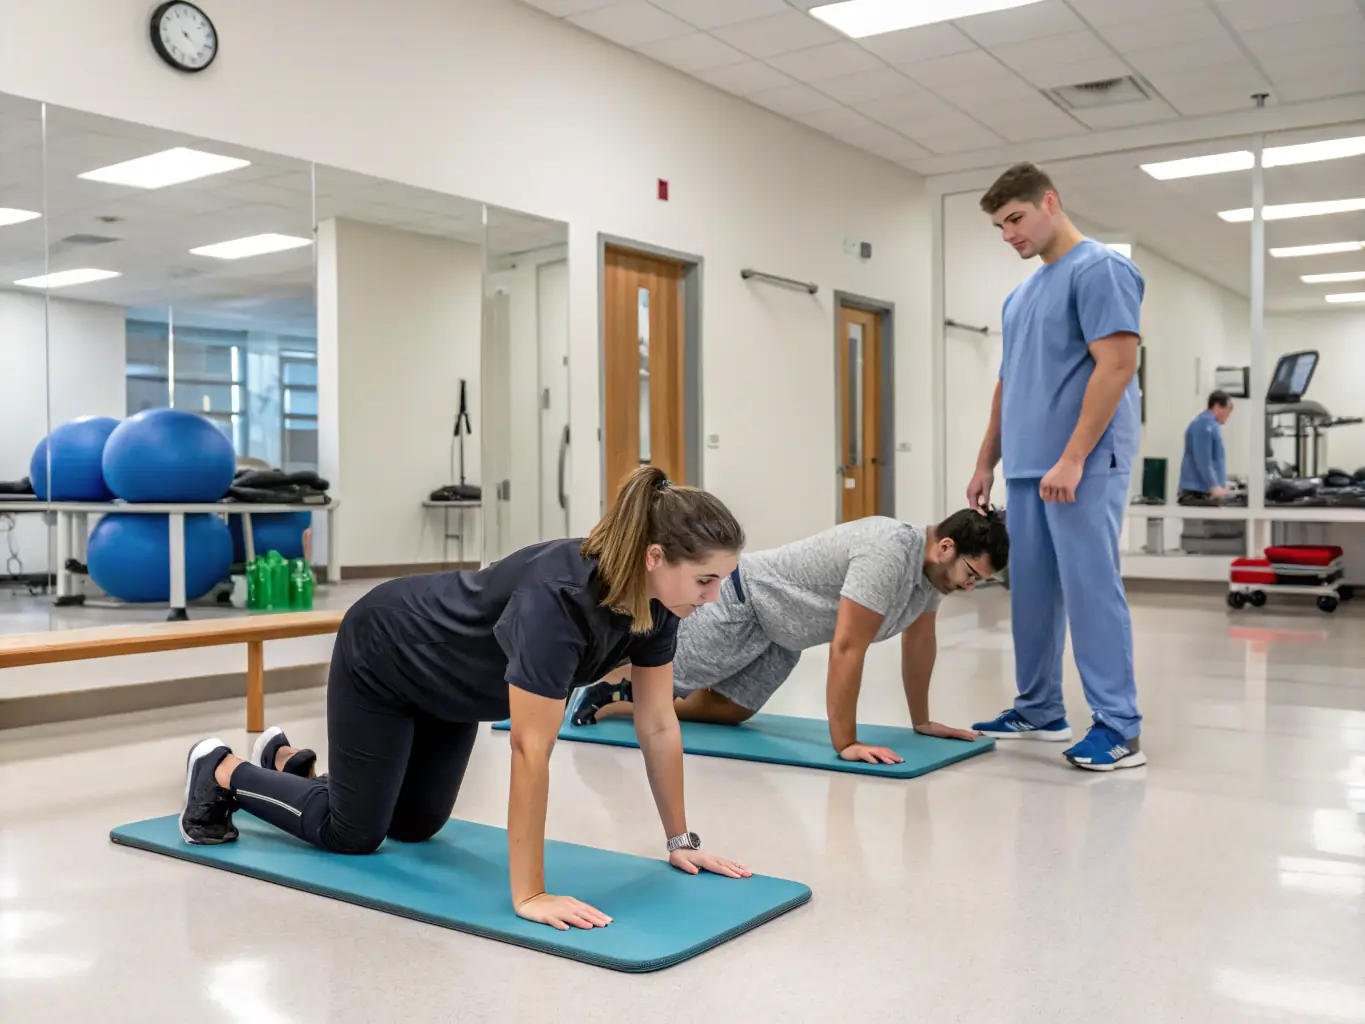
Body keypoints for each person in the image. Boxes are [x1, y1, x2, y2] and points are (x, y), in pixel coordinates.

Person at [178, 465, 754, 932]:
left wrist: (681, 842)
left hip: (451, 692)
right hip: (386, 651)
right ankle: (221, 771)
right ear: (655, 557)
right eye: (705, 581)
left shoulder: (658, 606)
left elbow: (656, 725)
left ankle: (289, 764)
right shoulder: (558, 604)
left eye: (721, 582)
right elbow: (530, 751)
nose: (712, 597)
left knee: (416, 825)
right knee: (352, 834)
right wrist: (530, 894)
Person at [570, 510, 1009, 763]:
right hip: (745, 602)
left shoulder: (931, 578)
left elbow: (919, 644)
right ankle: (605, 682)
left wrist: (922, 721)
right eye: (971, 574)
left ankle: (622, 698)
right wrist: (847, 743)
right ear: (946, 547)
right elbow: (846, 648)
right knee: (669, 678)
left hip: (783, 637)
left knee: (729, 711)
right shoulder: (889, 553)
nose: (970, 586)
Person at [965, 161, 1147, 772]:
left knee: (1091, 589)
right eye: (999, 225)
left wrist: (1073, 456)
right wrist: (986, 460)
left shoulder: (1101, 269)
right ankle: (1040, 707)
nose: (1009, 233)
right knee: (1032, 594)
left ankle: (1119, 727)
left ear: (1050, 202)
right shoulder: (1021, 295)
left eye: (1015, 218)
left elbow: (1118, 365)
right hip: (1025, 467)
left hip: (1083, 464)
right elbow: (1006, 384)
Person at [1179, 391, 1233, 502]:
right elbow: (1202, 458)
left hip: (1204, 490)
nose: (1229, 414)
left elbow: (1214, 459)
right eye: (1228, 409)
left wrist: (1221, 483)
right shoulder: (1204, 424)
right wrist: (1214, 485)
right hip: (1196, 491)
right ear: (1217, 406)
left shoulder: (1212, 425)